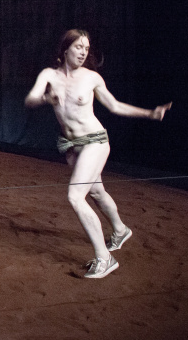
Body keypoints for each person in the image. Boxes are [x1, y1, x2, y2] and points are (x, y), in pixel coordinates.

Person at [25, 29, 171, 279]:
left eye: (86, 48)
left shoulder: (92, 78)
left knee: (75, 196)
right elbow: (30, 99)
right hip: (70, 145)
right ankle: (120, 230)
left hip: (95, 141)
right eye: (79, 47)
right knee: (95, 191)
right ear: (65, 49)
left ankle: (105, 258)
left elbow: (114, 106)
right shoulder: (49, 75)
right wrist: (46, 99)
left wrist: (149, 113)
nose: (83, 52)